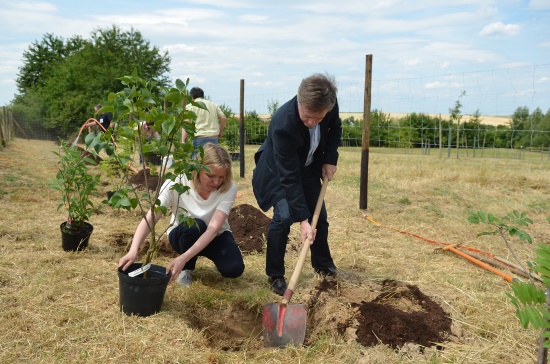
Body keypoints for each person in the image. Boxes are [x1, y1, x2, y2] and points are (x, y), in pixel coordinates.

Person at [252, 73, 342, 296]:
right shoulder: (284, 124)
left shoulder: (329, 105)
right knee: (283, 217)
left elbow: (335, 128)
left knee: (319, 217)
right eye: (307, 117)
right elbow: (290, 178)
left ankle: (323, 264)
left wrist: (330, 158)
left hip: (308, 168)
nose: (312, 123)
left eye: (318, 119)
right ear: (299, 101)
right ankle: (275, 274)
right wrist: (302, 219)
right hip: (278, 173)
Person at [118, 143, 245, 286]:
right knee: (195, 225)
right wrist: (134, 249)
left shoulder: (228, 188)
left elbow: (213, 229)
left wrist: (183, 257)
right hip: (184, 234)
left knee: (234, 269)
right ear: (197, 169)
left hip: (214, 236)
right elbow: (152, 217)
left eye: (222, 177)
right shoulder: (177, 182)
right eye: (210, 176)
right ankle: (187, 269)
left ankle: (188, 257)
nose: (216, 182)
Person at [182, 87, 227, 152]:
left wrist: (183, 141)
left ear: (192, 97)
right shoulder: (213, 105)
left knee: (198, 160)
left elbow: (186, 124)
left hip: (199, 138)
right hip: (213, 138)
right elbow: (223, 118)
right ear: (203, 95)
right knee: (213, 160)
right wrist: (220, 131)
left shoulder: (190, 106)